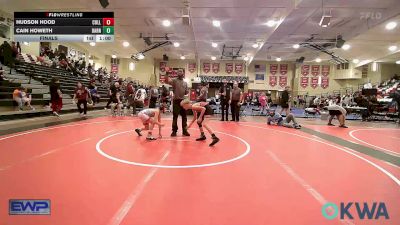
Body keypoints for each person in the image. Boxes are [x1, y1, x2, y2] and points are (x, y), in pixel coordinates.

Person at [164, 69, 190, 137]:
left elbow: (186, 93)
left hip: (183, 101)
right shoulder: (174, 80)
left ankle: (185, 130)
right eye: (178, 71)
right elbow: (166, 81)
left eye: (180, 71)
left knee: (184, 117)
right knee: (175, 116)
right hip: (176, 101)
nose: (179, 72)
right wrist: (167, 73)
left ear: (183, 73)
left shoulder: (185, 83)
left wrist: (187, 99)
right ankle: (174, 131)